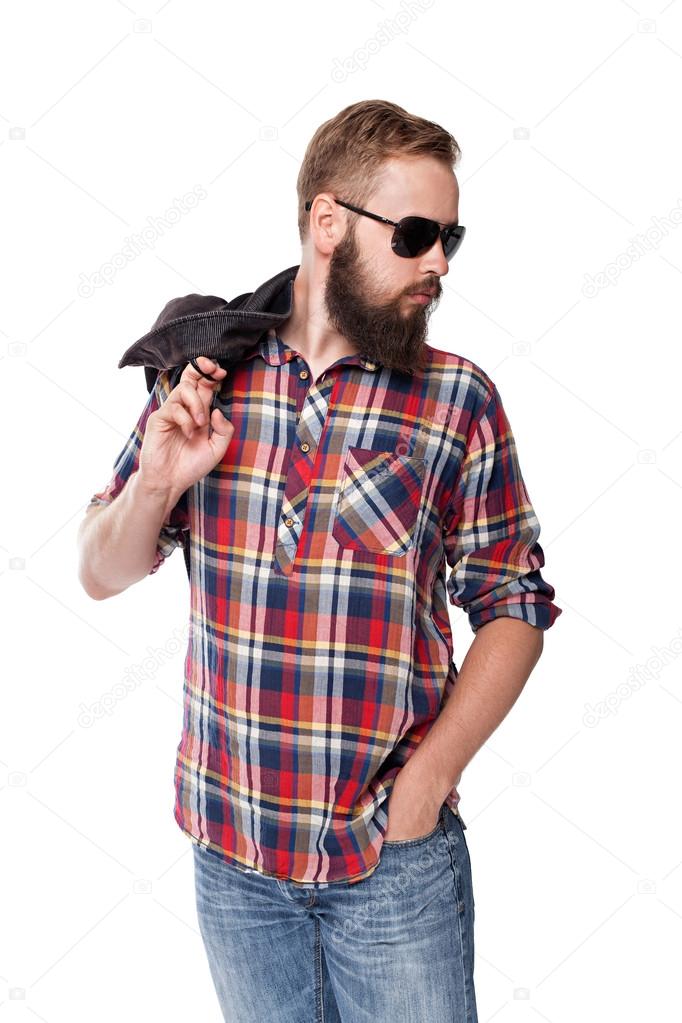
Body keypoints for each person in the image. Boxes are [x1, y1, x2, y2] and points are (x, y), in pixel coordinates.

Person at [77, 98, 562, 1022]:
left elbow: (514, 604)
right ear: (328, 223)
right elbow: (99, 570)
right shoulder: (208, 375)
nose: (440, 265)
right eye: (416, 234)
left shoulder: (456, 399)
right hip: (233, 861)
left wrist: (423, 788)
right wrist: (157, 484)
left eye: (450, 237)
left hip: (393, 869)